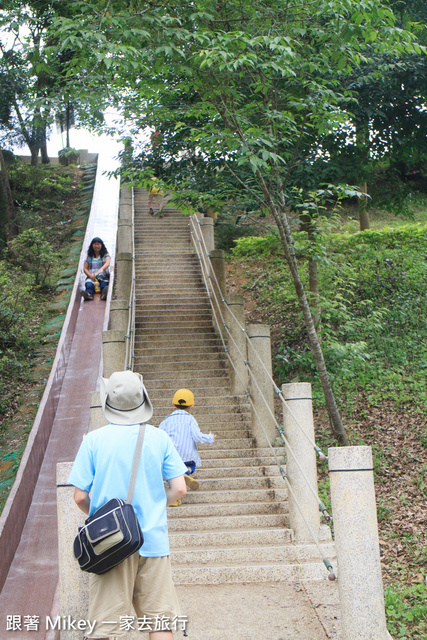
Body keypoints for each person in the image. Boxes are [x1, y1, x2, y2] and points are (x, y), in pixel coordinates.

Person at [68, 371, 187, 639]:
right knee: (159, 622)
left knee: (102, 625)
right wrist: (156, 503)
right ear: (142, 399)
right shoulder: (159, 438)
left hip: (110, 543)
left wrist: (104, 518)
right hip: (153, 541)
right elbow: (179, 488)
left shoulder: (93, 441)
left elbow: (79, 496)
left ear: (109, 402)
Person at [159, 389, 216, 505]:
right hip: (187, 456)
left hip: (172, 456)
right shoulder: (190, 420)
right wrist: (210, 437)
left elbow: (160, 436)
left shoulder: (167, 420)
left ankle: (174, 499)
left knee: (171, 473)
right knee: (192, 466)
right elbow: (197, 436)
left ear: (173, 404)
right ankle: (185, 473)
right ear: (191, 405)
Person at [81, 237, 111, 301]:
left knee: (104, 284)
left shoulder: (105, 254)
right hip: (92, 276)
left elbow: (107, 263)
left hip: (103, 276)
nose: (96, 246)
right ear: (92, 245)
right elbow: (85, 268)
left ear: (101, 245)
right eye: (95, 244)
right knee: (89, 285)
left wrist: (102, 269)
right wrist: (90, 275)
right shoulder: (89, 256)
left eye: (98, 244)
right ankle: (89, 295)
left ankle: (104, 294)